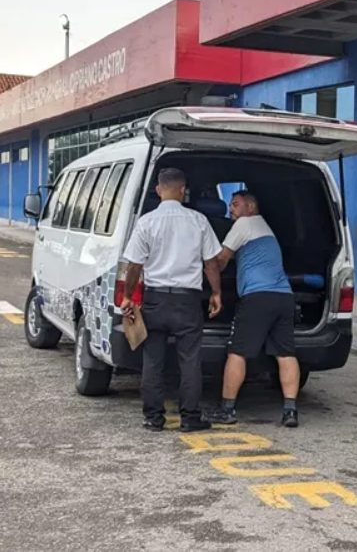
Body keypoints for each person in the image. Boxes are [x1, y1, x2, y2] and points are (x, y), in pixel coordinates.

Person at [121, 168, 223, 433]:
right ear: (182, 190)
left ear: (158, 190)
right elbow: (210, 263)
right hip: (187, 301)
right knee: (189, 360)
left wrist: (128, 296)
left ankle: (154, 418)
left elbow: (134, 265)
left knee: (152, 360)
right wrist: (216, 293)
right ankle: (190, 418)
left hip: (155, 299)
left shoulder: (146, 222)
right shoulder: (198, 220)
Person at [209, 191, 302, 428]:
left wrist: (206, 273)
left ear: (251, 207)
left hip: (257, 297)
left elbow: (221, 259)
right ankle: (290, 411)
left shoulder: (244, 224)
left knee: (237, 352)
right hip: (284, 297)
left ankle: (227, 409)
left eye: (236, 204)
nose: (231, 209)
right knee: (286, 353)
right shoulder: (265, 227)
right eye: (230, 204)